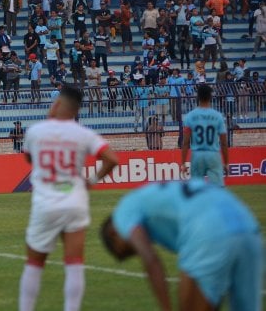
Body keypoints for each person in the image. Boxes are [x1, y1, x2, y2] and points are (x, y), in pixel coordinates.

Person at [18, 85, 118, 311]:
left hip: (45, 202)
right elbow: (112, 159)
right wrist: (91, 181)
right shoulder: (84, 133)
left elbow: (29, 158)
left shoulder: (36, 131)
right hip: (74, 200)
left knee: (34, 263)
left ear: (57, 104)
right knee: (74, 263)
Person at [101, 179, 262, 311]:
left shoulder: (123, 211)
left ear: (114, 233)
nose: (134, 252)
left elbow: (150, 260)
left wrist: (166, 308)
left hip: (207, 230)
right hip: (248, 227)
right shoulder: (149, 196)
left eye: (128, 251)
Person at [180, 84, 228, 186]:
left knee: (196, 190)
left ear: (198, 97)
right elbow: (224, 142)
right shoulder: (218, 116)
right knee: (217, 189)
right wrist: (226, 163)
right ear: (211, 97)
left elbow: (185, 143)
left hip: (197, 155)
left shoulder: (190, 116)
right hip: (213, 154)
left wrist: (183, 163)